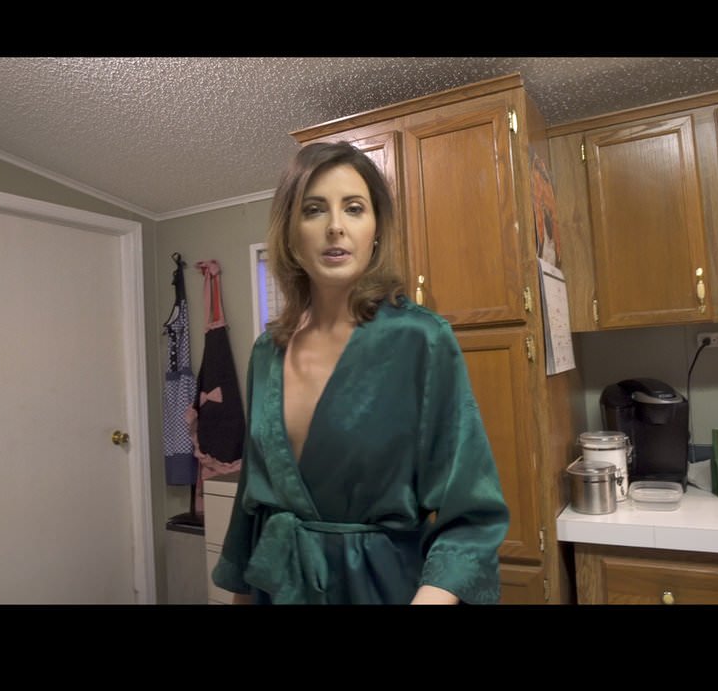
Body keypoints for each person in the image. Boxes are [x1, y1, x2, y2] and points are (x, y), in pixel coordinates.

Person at [210, 141, 510, 604]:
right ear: (290, 234)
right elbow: (251, 501)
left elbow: (471, 517)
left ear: (376, 230)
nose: (335, 226)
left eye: (354, 208)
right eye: (314, 210)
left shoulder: (420, 340)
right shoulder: (267, 353)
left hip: (384, 589)